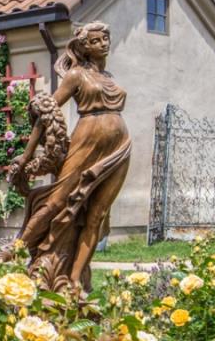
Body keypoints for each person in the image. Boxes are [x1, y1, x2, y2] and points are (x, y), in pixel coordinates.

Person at [8, 21, 130, 291]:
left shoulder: (109, 77)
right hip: (87, 141)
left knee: (97, 214)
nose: (103, 44)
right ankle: (17, 248)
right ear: (85, 46)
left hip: (120, 146)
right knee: (58, 199)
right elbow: (46, 112)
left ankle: (75, 281)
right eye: (96, 40)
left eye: (105, 39)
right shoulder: (76, 75)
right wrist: (27, 156)